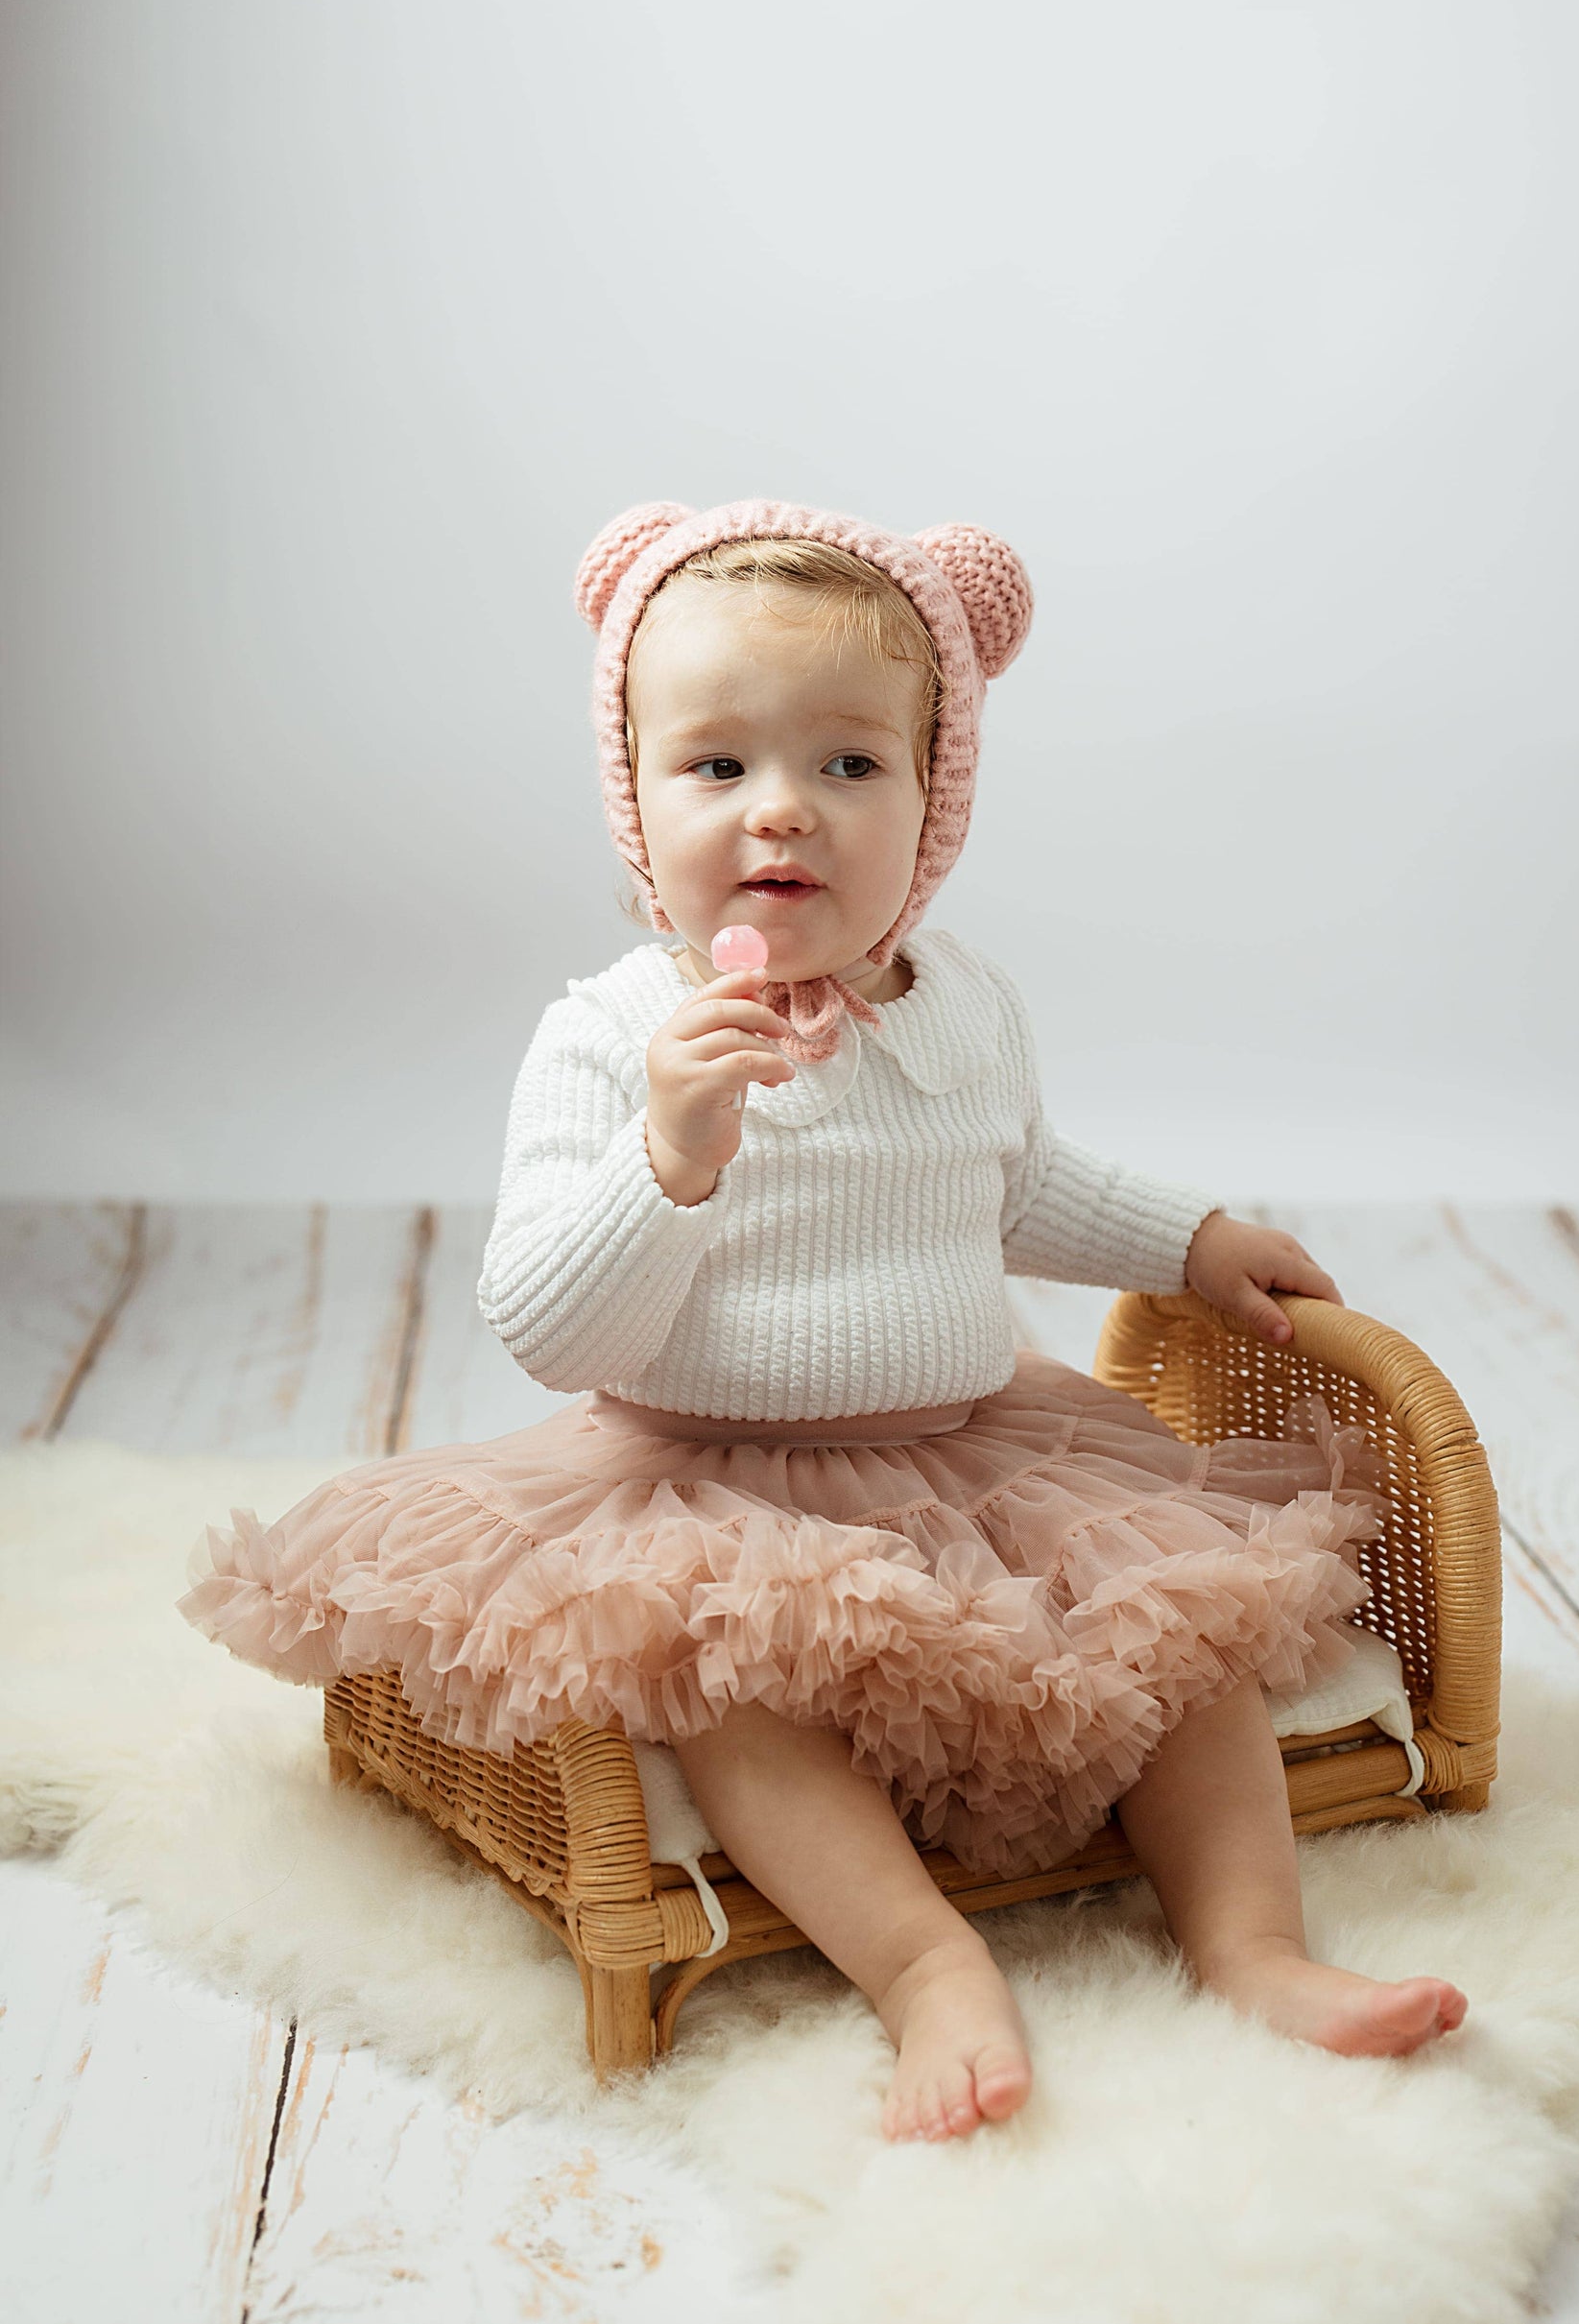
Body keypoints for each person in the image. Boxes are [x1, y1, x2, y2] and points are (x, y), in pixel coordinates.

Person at [178, 498, 1467, 2146]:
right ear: (635, 804)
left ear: (933, 805)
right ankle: (926, 1967)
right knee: (736, 1698)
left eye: (849, 765)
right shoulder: (611, 1035)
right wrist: (672, 1160)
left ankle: (1253, 1945)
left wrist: (1189, 1237)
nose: (781, 808)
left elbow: (1018, 1182)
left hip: (976, 1454)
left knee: (1181, 1637)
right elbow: (548, 1325)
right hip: (705, 1482)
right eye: (716, 766)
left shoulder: (967, 1004)